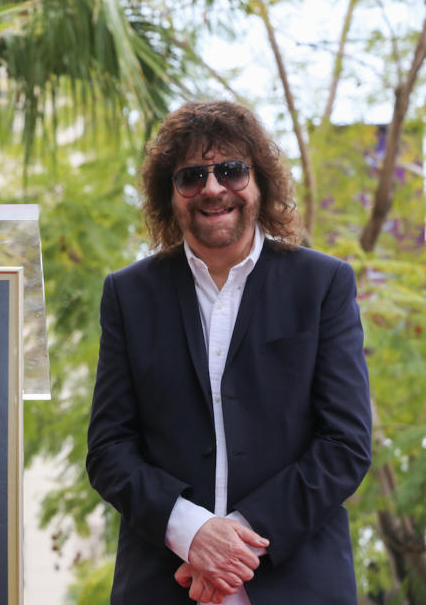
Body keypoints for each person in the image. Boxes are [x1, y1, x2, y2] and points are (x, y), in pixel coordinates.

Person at [85, 100, 372, 604]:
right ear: (169, 195)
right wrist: (192, 533)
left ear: (260, 183)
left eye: (232, 170)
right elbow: (109, 450)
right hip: (163, 585)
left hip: (300, 584)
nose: (213, 188)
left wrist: (235, 542)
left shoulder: (322, 284)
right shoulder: (128, 296)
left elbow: (345, 444)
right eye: (191, 176)